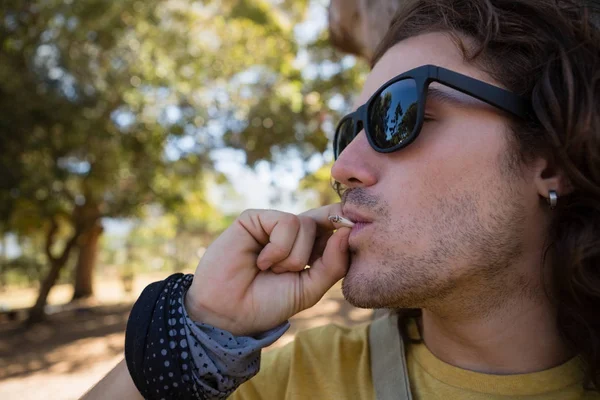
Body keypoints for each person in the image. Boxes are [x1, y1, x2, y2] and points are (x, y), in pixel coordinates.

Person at [82, 0, 600, 398]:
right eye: (347, 132)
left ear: (550, 159)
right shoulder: (296, 382)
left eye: (398, 114)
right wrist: (198, 331)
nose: (342, 169)